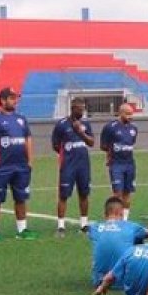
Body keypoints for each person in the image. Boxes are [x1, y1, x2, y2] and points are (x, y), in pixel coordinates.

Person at [0, 87, 38, 243]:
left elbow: (28, 139)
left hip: (21, 166)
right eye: (12, 98)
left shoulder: (21, 118)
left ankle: (22, 230)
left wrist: (30, 161)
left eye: (16, 98)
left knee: (21, 198)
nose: (15, 101)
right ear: (3, 100)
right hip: (1, 167)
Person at [52, 98, 95, 236]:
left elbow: (91, 143)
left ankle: (84, 225)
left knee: (84, 194)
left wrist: (80, 132)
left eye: (83, 108)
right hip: (68, 165)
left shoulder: (85, 124)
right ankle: (61, 226)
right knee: (63, 195)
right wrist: (66, 154)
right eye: (79, 109)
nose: (82, 111)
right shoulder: (61, 124)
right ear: (73, 108)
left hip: (83, 165)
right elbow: (55, 145)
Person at [88, 197, 148, 288]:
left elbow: (90, 233)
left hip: (99, 281)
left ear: (105, 214)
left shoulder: (95, 227)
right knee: (139, 240)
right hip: (124, 281)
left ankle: (102, 274)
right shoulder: (131, 226)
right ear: (122, 213)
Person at [99, 103, 139, 220]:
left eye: (131, 114)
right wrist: (111, 152)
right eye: (128, 114)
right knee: (117, 193)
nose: (130, 117)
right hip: (116, 164)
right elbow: (103, 145)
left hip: (130, 164)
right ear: (120, 113)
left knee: (127, 192)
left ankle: (124, 220)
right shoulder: (110, 127)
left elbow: (131, 143)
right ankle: (115, 217)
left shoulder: (133, 129)